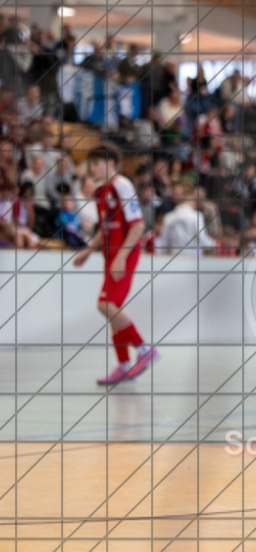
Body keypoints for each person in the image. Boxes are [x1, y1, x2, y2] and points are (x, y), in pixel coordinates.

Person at [72, 144, 158, 385]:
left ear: (110, 163)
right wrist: (90, 249)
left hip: (124, 254)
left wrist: (121, 256)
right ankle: (123, 365)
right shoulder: (102, 192)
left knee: (105, 304)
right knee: (113, 311)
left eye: (96, 163)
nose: (92, 168)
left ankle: (144, 350)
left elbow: (138, 226)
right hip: (111, 255)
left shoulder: (122, 185)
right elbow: (105, 227)